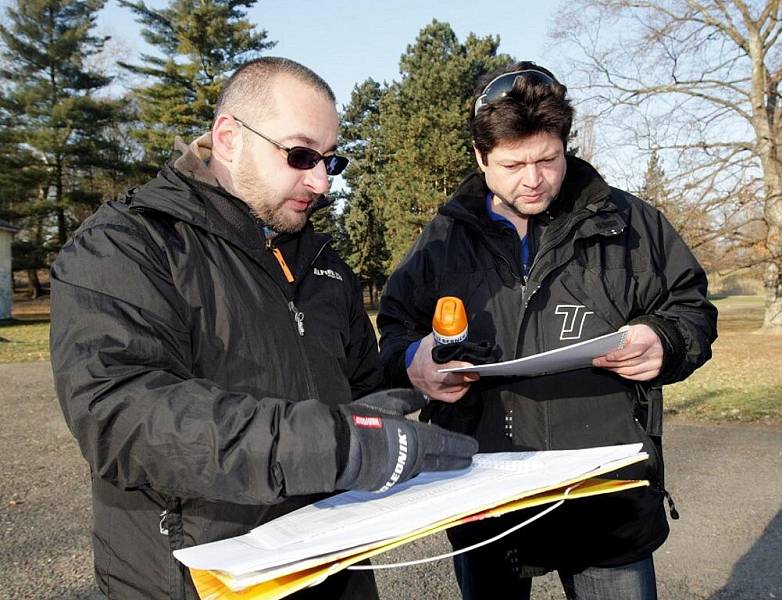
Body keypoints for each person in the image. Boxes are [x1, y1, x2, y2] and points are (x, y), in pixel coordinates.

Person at [49, 57, 478, 600]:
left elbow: (359, 391)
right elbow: (119, 414)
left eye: (330, 161)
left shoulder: (323, 263)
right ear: (228, 138)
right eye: (300, 155)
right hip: (198, 581)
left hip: (332, 568)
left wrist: (412, 381)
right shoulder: (125, 245)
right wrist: (336, 447)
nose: (321, 182)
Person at [378, 62, 717, 600]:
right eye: (513, 164)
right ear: (480, 157)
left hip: (608, 496)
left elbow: (692, 310)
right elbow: (395, 330)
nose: (534, 179)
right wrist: (415, 361)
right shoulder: (441, 241)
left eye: (548, 159)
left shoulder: (632, 224)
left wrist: (664, 342)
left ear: (566, 147)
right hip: (484, 496)